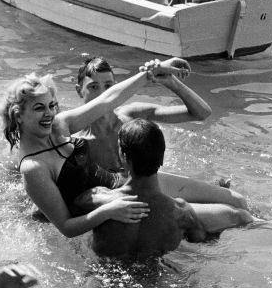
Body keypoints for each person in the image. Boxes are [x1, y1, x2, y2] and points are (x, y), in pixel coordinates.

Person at [0, 59, 189, 239]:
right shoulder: (32, 167)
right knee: (191, 220)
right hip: (106, 202)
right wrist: (108, 211)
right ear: (19, 116)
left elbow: (108, 100)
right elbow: (67, 227)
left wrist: (153, 71)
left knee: (218, 199)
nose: (49, 114)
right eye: (39, 108)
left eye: (51, 106)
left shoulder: (59, 125)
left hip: (122, 183)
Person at [73, 54, 248, 210]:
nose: (103, 93)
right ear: (78, 90)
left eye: (108, 85)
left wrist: (171, 82)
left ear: (117, 87)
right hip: (116, 196)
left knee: (237, 201)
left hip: (151, 182)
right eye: (93, 87)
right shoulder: (75, 140)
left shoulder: (131, 115)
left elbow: (202, 113)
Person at [92, 120, 252, 259]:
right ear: (161, 159)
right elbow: (202, 239)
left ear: (123, 157)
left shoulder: (98, 199)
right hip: (155, 280)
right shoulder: (181, 212)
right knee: (241, 215)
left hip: (105, 281)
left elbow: (70, 225)